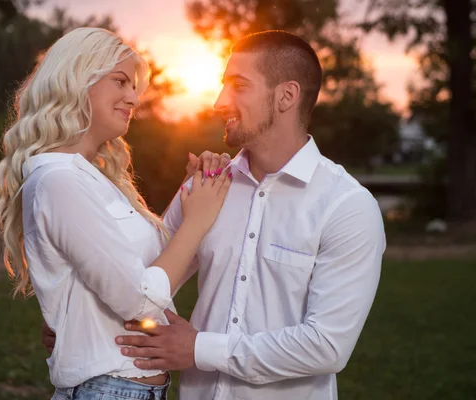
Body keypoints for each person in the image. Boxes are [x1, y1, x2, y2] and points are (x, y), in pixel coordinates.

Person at [109, 30, 386, 399]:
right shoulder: (207, 186)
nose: (220, 102)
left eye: (239, 86)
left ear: (286, 96)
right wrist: (80, 317)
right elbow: (145, 282)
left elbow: (326, 346)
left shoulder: (347, 206)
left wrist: (198, 349)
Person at [0, 27, 232, 400]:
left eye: (134, 88)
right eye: (121, 82)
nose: (133, 98)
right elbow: (141, 301)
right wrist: (198, 220)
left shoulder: (91, 178)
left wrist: (191, 195)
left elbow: (155, 272)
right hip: (108, 389)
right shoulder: (60, 181)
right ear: (77, 78)